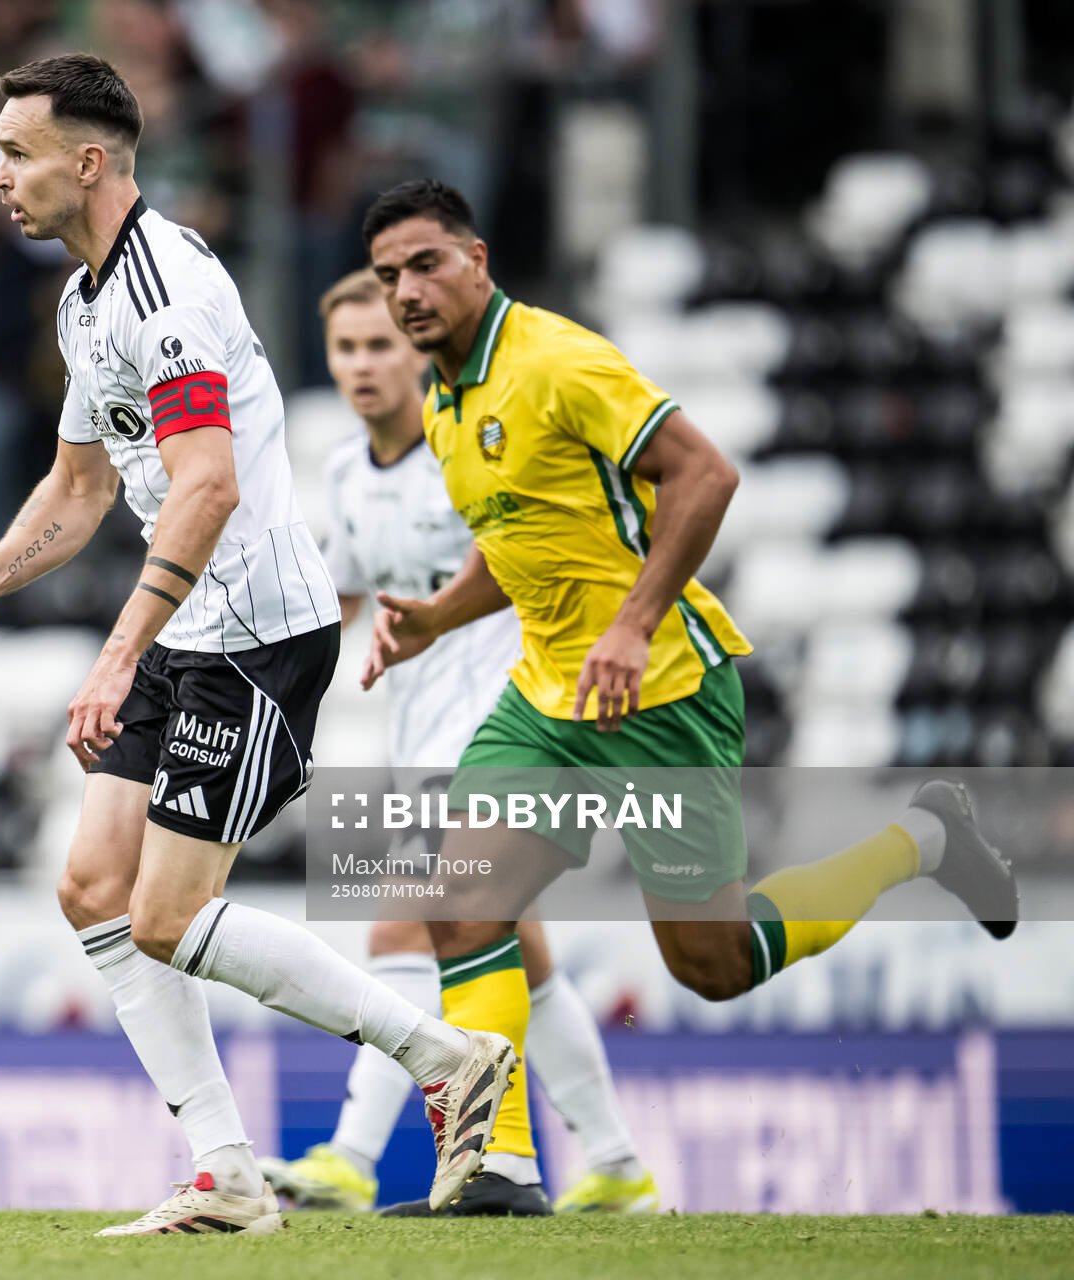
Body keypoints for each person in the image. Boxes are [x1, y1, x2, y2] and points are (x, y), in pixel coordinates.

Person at [0, 57, 514, 1237]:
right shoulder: (83, 298)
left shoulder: (165, 296)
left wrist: (112, 656)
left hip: (253, 631)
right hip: (193, 623)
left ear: (88, 162)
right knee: (92, 886)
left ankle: (447, 1056)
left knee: (163, 912)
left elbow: (204, 489)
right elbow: (83, 480)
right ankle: (228, 1174)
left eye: (17, 152)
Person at [357, 179, 1018, 1204]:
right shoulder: (445, 395)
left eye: (425, 263)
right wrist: (441, 615)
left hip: (662, 689)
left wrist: (630, 623)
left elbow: (704, 473)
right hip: (549, 698)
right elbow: (526, 541)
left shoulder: (557, 360)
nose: (406, 289)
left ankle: (925, 838)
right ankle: (498, 1163)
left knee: (712, 962)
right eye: (388, 273)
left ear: (477, 260)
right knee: (460, 894)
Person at [257, 269, 656, 1217]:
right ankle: (618, 1163)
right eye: (345, 350)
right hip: (420, 730)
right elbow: (344, 596)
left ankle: (351, 1160)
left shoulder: (468, 447)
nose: (361, 366)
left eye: (379, 346)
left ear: (416, 348)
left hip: (508, 719)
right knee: (517, 951)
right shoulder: (351, 473)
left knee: (403, 921)